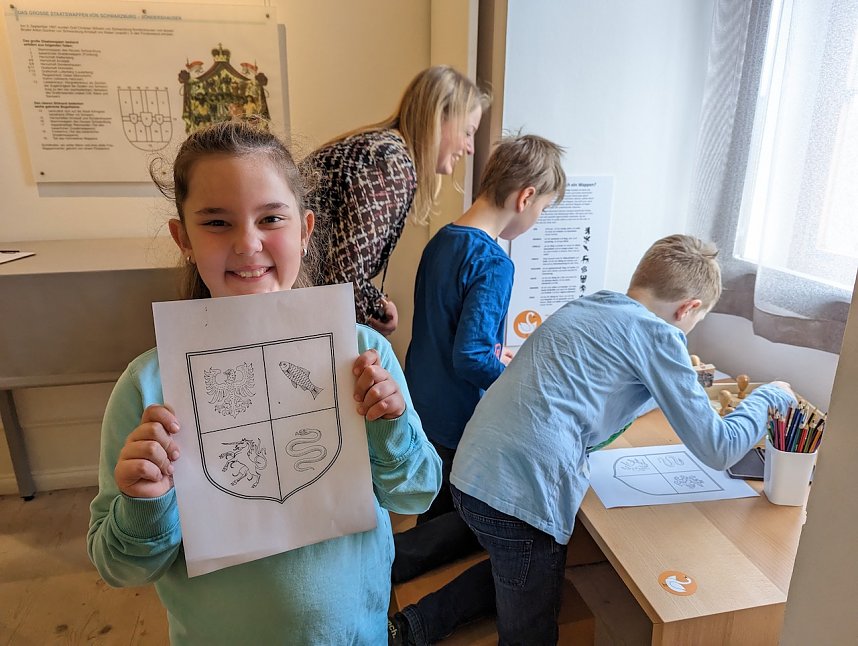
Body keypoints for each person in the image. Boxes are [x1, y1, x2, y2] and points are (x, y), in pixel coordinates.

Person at [87, 119, 442, 645]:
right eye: (216, 223)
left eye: (271, 218)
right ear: (182, 238)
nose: (248, 243)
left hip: (356, 634)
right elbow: (119, 568)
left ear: (305, 229)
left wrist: (389, 425)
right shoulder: (148, 387)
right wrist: (143, 501)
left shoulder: (365, 353)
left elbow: (416, 494)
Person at [392, 234, 797, 645]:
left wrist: (674, 390)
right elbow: (719, 447)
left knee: (516, 567)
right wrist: (772, 395)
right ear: (687, 308)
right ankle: (410, 630)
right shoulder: (660, 335)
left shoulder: (590, 305)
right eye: (694, 323)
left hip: (471, 470)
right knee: (529, 608)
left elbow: (602, 392)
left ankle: (412, 626)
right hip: (519, 490)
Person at [391, 134, 567, 585]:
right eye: (542, 210)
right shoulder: (493, 262)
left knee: (427, 521)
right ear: (525, 197)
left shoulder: (443, 240)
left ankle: (397, 599)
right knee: (444, 541)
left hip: (423, 404)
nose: (536, 219)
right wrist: (511, 370)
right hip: (457, 420)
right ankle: (399, 604)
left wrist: (492, 349)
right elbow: (470, 357)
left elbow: (446, 329)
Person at [305, 65, 490, 335]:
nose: (470, 147)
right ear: (439, 118)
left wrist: (374, 302)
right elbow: (342, 279)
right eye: (468, 131)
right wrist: (373, 309)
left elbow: (341, 263)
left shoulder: (381, 147)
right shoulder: (391, 163)